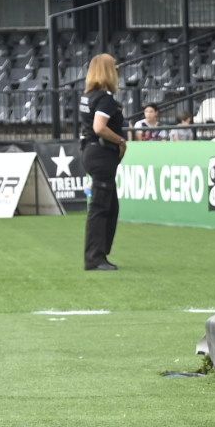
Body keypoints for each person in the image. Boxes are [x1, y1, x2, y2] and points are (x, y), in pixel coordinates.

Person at [79, 54, 126, 272]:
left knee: (111, 207)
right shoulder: (105, 99)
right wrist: (120, 141)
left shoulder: (88, 95)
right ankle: (95, 258)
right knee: (100, 208)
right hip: (101, 154)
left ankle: (100, 253)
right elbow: (99, 127)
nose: (117, 70)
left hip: (91, 151)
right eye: (114, 67)